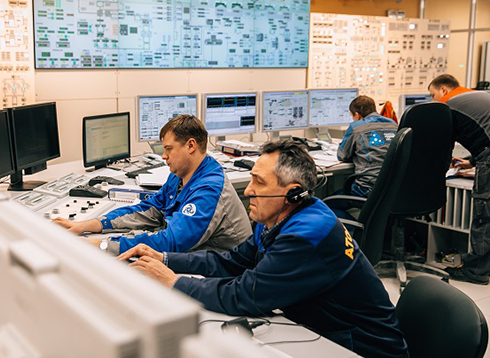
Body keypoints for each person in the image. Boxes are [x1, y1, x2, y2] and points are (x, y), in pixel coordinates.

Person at [119, 140, 408, 358]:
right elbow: (232, 262)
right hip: (321, 331)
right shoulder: (277, 217)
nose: (247, 191)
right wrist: (165, 258)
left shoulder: (306, 236)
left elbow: (244, 295)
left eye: (259, 182)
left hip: (359, 348)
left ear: (292, 192)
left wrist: (172, 281)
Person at [54, 114, 252, 256]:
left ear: (191, 146)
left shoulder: (209, 188)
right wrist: (91, 225)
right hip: (194, 256)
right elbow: (150, 209)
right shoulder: (180, 174)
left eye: (168, 149)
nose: (163, 156)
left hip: (222, 270)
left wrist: (103, 245)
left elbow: (172, 242)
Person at [429, 74, 490, 285]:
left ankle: (475, 272)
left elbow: (442, 147)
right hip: (485, 155)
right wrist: (472, 162)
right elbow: (484, 132)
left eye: (433, 94)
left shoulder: (449, 106)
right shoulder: (474, 96)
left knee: (485, 215)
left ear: (444, 90)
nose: (433, 101)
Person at [337, 95, 398, 197]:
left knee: (328, 204)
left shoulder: (356, 126)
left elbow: (342, 155)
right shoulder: (393, 124)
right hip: (392, 188)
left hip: (368, 187)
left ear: (357, 115)